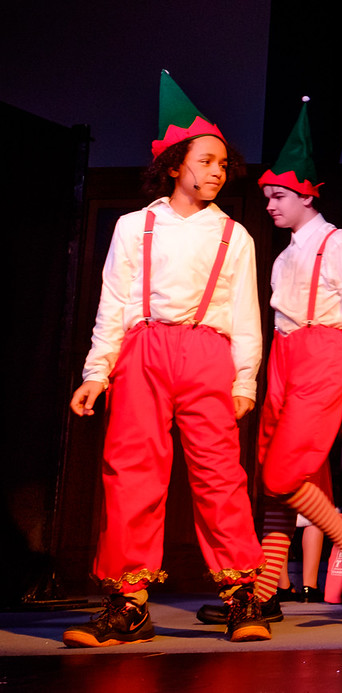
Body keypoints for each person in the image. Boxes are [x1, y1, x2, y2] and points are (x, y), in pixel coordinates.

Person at [64, 72, 268, 647]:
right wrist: (97, 371)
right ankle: (128, 604)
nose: (217, 172)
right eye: (206, 161)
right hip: (144, 350)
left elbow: (246, 314)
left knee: (219, 475)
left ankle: (241, 596)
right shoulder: (135, 227)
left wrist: (245, 380)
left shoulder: (234, 235)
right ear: (176, 165)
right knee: (131, 472)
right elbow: (114, 302)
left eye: (223, 164)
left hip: (207, 353)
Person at [197, 99, 342, 630]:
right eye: (267, 197)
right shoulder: (283, 256)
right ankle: (264, 593)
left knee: (285, 473)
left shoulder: (337, 243)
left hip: (322, 355)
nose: (271, 206)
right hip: (284, 356)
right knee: (270, 478)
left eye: (279, 196)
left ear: (306, 195)